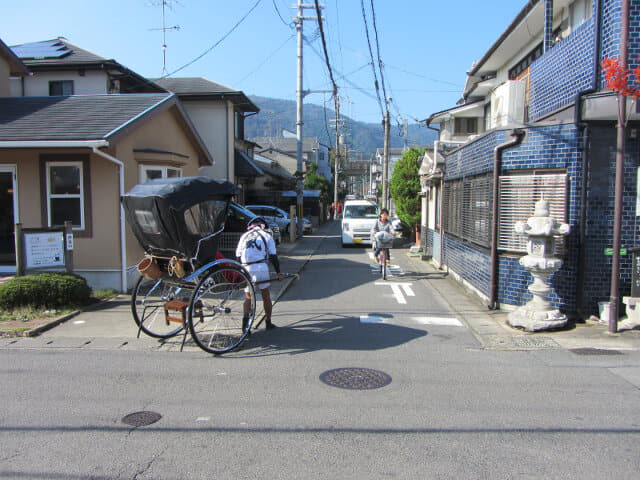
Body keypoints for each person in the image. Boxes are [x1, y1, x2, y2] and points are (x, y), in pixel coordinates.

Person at [236, 216, 284, 331]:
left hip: (246, 268)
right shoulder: (267, 236)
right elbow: (273, 256)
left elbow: (238, 256)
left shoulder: (244, 236)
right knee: (266, 297)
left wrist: (240, 272)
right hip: (261, 267)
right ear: (263, 226)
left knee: (249, 298)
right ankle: (268, 322)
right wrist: (278, 273)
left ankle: (245, 325)